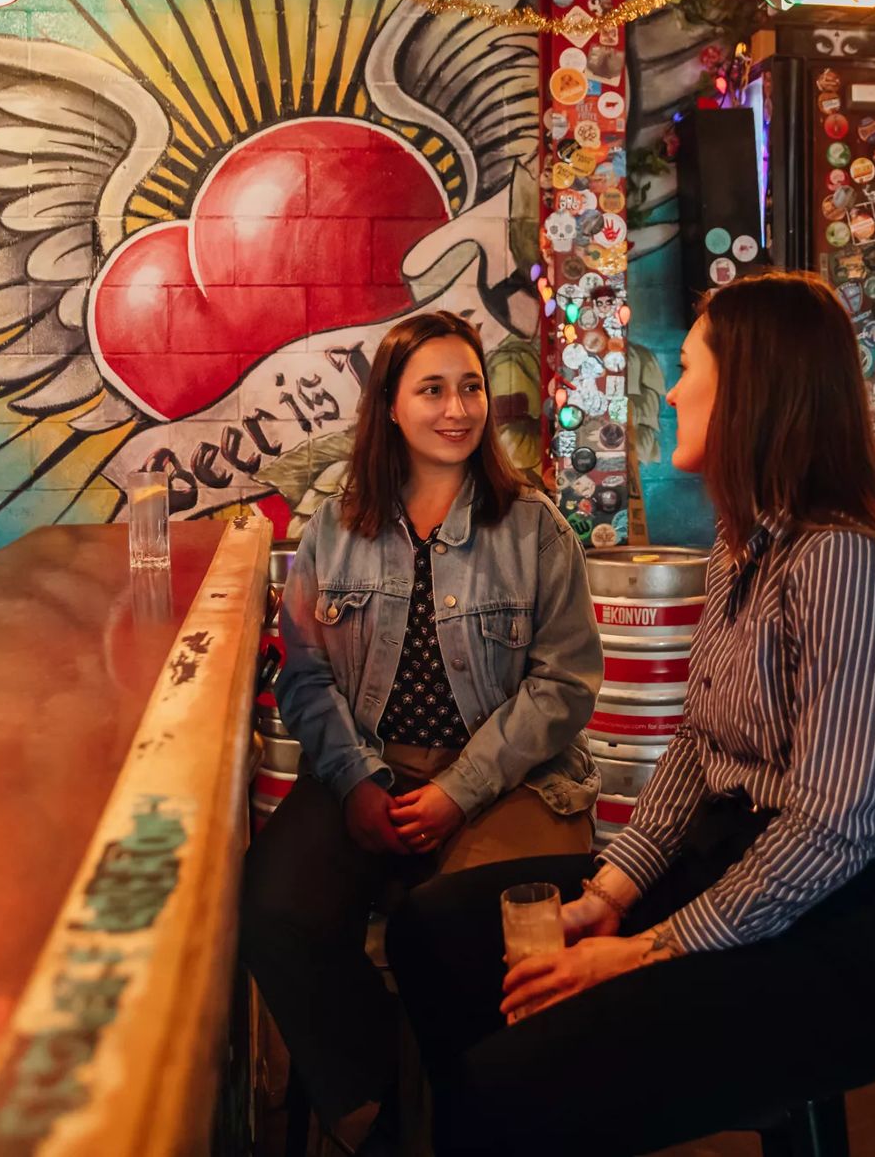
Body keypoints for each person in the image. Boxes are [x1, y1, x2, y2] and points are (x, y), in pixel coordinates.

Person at [387, 271, 875, 1157]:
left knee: (508, 1089)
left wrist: (646, 950)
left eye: (691, 365)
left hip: (840, 938)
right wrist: (610, 893)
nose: (675, 382)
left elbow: (830, 831)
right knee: (433, 934)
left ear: (752, 389)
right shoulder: (744, 545)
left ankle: (503, 1110)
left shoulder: (851, 566)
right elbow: (697, 744)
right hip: (732, 864)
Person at [240, 311, 603, 1137]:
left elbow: (565, 682)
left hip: (509, 777)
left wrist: (459, 789)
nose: (457, 408)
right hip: (369, 767)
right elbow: (305, 673)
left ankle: (489, 1120)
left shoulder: (534, 527)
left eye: (470, 387)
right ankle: (383, 1110)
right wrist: (356, 780)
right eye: (432, 389)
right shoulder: (336, 524)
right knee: (274, 913)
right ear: (391, 409)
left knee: (465, 936)